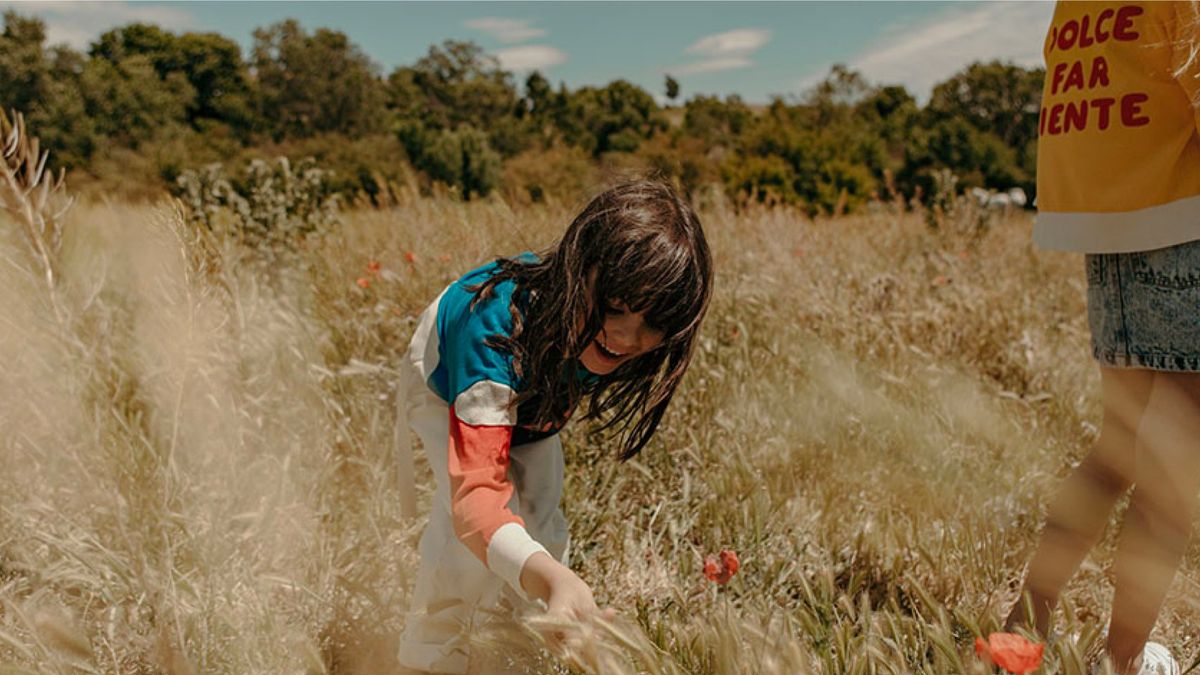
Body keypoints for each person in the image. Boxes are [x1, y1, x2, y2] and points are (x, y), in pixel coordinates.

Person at [395, 180, 713, 674]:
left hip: (537, 402)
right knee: (459, 545)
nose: (628, 337)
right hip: (448, 384)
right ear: (576, 268)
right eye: (615, 307)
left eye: (653, 323)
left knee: (542, 527)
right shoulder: (494, 335)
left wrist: (553, 581)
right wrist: (551, 580)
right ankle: (427, 662)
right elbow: (476, 498)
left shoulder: (607, 334)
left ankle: (516, 647)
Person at [1007, 2, 1200, 673]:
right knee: (1172, 467)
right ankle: (1125, 659)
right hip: (1185, 225)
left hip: (1109, 228)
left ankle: (1027, 620)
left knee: (1119, 449)